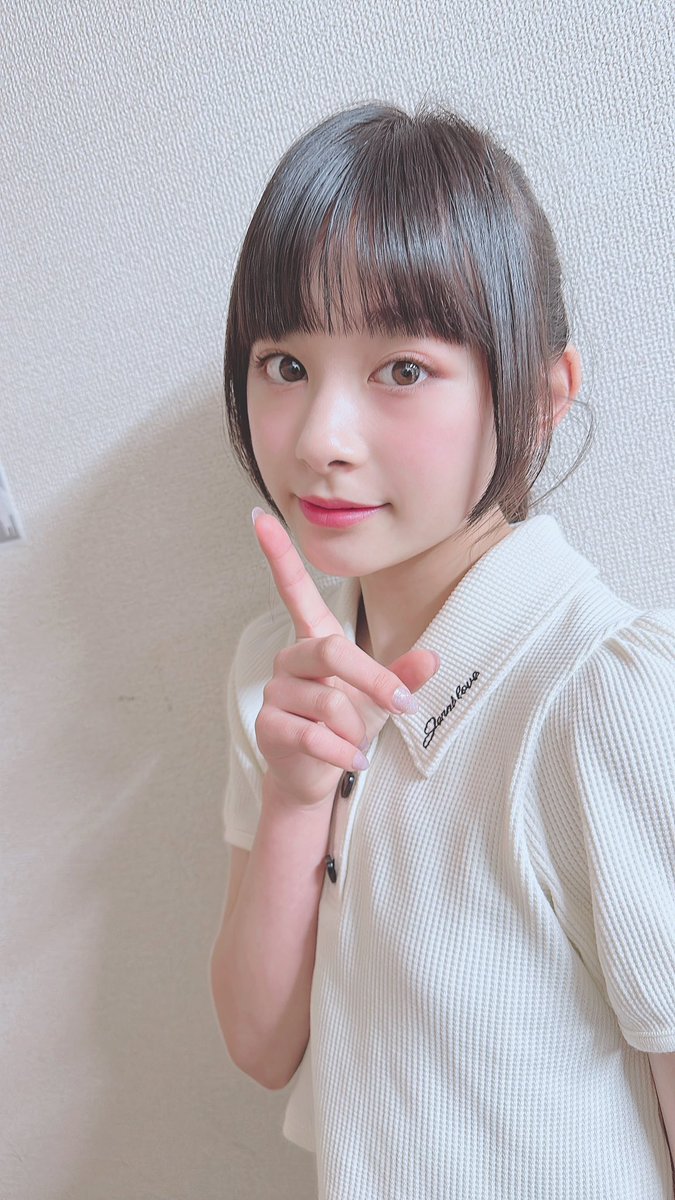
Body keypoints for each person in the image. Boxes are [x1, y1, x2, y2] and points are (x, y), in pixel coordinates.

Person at [209, 101, 675, 1199]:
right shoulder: (277, 670)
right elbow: (261, 1045)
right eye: (284, 363)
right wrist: (294, 798)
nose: (320, 438)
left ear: (542, 399)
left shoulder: (602, 691)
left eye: (403, 370)